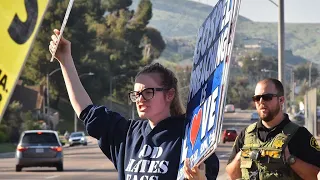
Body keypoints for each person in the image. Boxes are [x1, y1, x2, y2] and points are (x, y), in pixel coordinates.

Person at [49, 29, 219, 179]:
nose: (140, 99)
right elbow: (86, 111)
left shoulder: (190, 137)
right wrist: (65, 60)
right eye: (136, 94)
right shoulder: (127, 135)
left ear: (169, 94)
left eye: (147, 92)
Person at [226, 78, 320, 180]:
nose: (261, 101)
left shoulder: (299, 135)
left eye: (267, 97)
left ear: (281, 100)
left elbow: (315, 175)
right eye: (257, 98)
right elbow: (232, 175)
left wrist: (290, 159)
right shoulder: (246, 134)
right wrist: (240, 157)